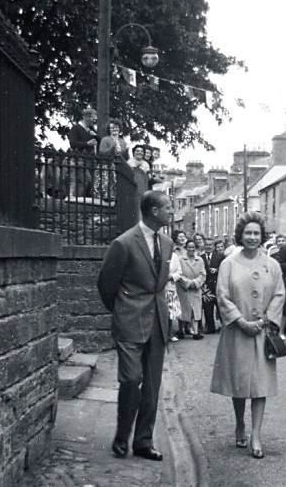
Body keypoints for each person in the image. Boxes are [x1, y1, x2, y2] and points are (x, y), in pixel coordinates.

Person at [96, 190, 173, 462]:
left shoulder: (167, 242)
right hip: (129, 322)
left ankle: (143, 442)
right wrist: (122, 312)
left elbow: (159, 285)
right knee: (131, 379)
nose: (171, 211)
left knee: (152, 386)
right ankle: (121, 435)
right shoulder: (124, 243)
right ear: (153, 211)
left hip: (157, 323)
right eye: (167, 207)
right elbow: (106, 285)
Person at [210, 211, 286, 460]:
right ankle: (239, 423)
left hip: (262, 333)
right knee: (240, 383)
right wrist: (240, 321)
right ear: (240, 235)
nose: (252, 237)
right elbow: (222, 295)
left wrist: (265, 320)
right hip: (237, 331)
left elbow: (279, 294)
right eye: (247, 233)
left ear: (262, 236)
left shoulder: (271, 264)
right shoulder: (228, 263)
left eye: (256, 233)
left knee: (260, 386)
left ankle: (255, 435)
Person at [177, 240, 206, 340]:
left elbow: (203, 274)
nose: (191, 249)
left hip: (196, 289)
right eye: (189, 247)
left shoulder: (200, 260)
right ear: (186, 248)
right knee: (183, 308)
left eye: (193, 247)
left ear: (196, 248)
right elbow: (178, 273)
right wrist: (187, 283)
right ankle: (181, 330)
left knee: (195, 310)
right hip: (183, 288)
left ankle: (195, 331)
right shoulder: (180, 259)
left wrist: (195, 283)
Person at [68, 107, 99, 197]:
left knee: (84, 181)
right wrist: (87, 143)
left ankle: (76, 199)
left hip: (87, 160)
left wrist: (95, 136)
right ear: (86, 117)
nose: (94, 121)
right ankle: (72, 198)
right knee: (78, 180)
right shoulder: (76, 128)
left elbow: (99, 141)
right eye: (93, 119)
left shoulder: (91, 130)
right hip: (77, 158)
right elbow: (73, 143)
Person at [95, 118, 129, 201]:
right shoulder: (105, 139)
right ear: (109, 129)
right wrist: (112, 147)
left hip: (118, 167)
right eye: (112, 127)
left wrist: (127, 151)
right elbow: (102, 153)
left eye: (116, 127)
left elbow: (125, 157)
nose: (115, 129)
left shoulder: (122, 142)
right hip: (106, 166)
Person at [201, 237, 225, 333]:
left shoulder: (220, 256)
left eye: (210, 245)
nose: (208, 247)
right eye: (206, 245)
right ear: (204, 245)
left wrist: (217, 270)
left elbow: (224, 269)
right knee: (208, 308)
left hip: (218, 286)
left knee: (220, 307)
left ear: (213, 246)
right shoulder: (201, 257)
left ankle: (224, 327)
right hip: (206, 287)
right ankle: (210, 327)